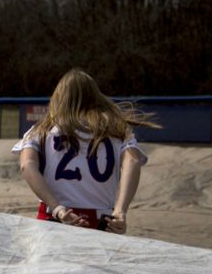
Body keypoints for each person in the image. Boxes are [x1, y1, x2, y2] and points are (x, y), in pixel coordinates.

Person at [13, 68, 159, 234]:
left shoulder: (40, 130)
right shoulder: (118, 131)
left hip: (53, 220)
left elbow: (26, 165)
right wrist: (120, 211)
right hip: (102, 222)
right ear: (95, 96)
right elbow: (133, 161)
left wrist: (58, 209)